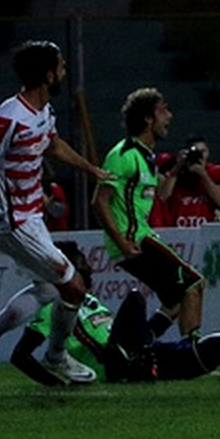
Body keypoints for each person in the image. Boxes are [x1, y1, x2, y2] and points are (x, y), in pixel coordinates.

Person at [0, 40, 112, 385]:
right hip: (10, 221)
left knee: (49, 289)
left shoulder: (42, 112)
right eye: (60, 65)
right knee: (74, 286)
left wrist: (91, 169)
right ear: (47, 74)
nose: (63, 71)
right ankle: (57, 354)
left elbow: (53, 144)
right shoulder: (7, 118)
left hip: (31, 217)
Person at [8, 243, 220, 385]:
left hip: (149, 359)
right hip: (119, 365)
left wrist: (168, 315)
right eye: (79, 261)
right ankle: (138, 364)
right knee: (136, 297)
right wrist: (58, 384)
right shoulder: (53, 305)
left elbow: (139, 337)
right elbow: (20, 356)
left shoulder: (92, 302)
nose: (87, 265)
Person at [91, 88, 207, 340]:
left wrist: (175, 169)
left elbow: (161, 196)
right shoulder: (123, 155)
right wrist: (122, 242)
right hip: (134, 240)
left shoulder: (145, 157)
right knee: (193, 284)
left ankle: (140, 344)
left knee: (177, 300)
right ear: (147, 118)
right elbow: (99, 202)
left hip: (138, 237)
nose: (170, 116)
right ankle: (193, 355)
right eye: (163, 109)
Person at [148, 136, 220, 228]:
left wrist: (204, 175)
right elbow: (163, 196)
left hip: (203, 230)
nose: (199, 156)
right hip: (177, 230)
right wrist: (177, 168)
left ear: (208, 153)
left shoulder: (215, 172)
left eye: (202, 152)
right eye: (195, 152)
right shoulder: (174, 171)